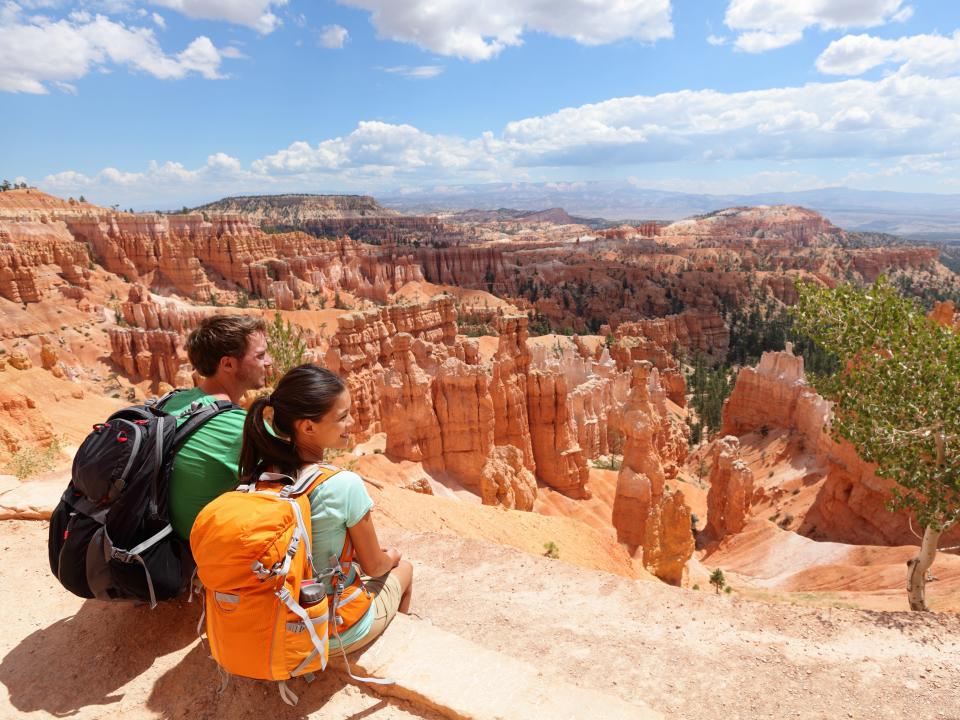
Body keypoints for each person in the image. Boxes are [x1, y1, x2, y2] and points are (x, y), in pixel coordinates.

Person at [238, 363, 413, 655]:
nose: (352, 423)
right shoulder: (344, 484)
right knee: (404, 569)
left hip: (275, 620)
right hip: (326, 628)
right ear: (307, 427)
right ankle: (399, 647)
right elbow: (374, 566)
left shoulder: (261, 474)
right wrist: (391, 557)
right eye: (342, 417)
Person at [166, 314, 272, 540]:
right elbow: (297, 484)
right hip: (203, 560)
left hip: (162, 541)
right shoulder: (242, 428)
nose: (269, 361)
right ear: (228, 364)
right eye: (260, 356)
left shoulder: (172, 401)